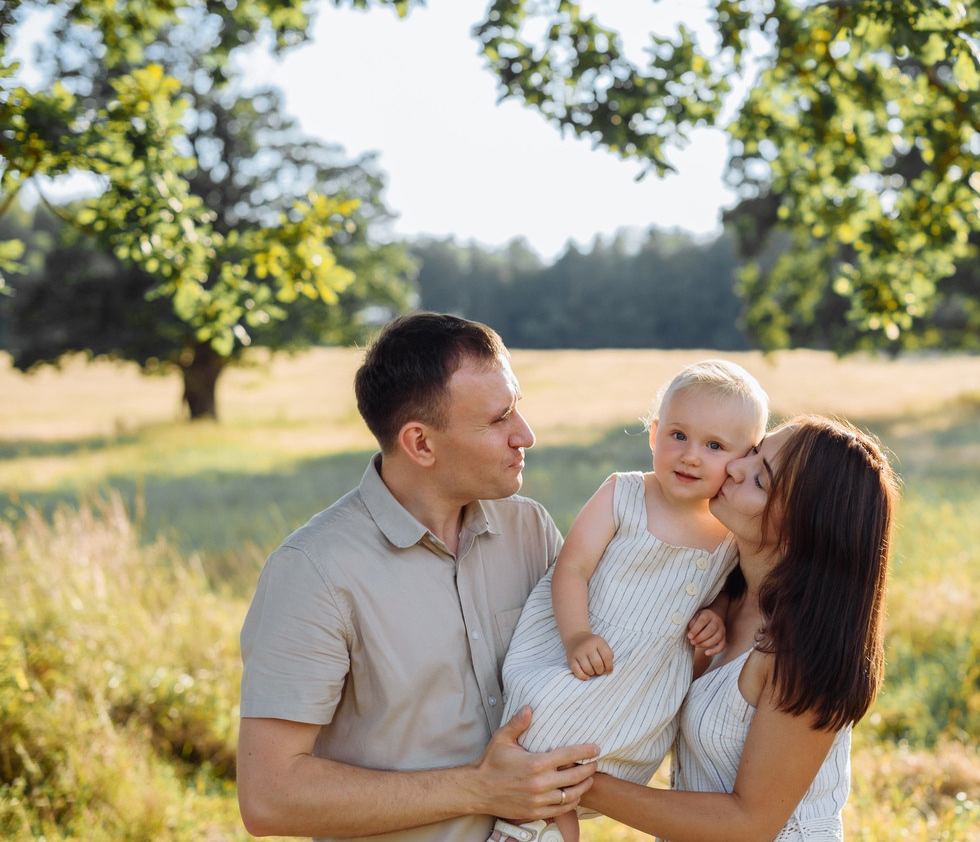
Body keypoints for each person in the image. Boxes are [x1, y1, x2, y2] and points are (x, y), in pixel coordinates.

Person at [236, 312, 598, 842]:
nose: (526, 435)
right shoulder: (313, 571)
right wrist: (479, 788)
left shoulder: (531, 529)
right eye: (499, 420)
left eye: (517, 408)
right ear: (421, 444)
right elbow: (269, 797)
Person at [579, 414, 899, 841]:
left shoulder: (800, 654)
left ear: (803, 534)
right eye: (754, 453)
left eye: (760, 481)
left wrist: (575, 784)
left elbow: (750, 824)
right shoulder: (716, 588)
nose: (733, 467)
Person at [489, 360, 770, 842]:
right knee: (547, 737)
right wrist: (577, 633)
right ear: (654, 433)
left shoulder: (729, 530)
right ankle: (517, 830)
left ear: (743, 460)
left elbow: (727, 591)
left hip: (641, 685)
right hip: (586, 652)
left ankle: (544, 830)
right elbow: (571, 567)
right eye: (678, 435)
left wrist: (714, 617)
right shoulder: (624, 493)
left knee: (584, 769)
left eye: (715, 446)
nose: (691, 457)